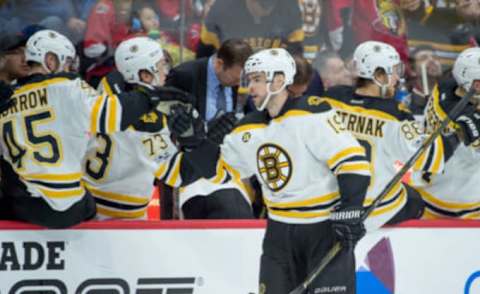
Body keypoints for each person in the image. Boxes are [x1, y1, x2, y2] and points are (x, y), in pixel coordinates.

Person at [188, 48, 371, 293]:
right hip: (278, 232)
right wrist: (200, 143)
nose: (249, 88)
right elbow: (219, 172)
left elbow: (352, 162)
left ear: (279, 80)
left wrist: (351, 210)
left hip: (323, 230)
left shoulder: (313, 114)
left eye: (256, 80)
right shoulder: (247, 128)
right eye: (248, 80)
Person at [0, 30, 173, 228]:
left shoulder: (6, 100)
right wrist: (151, 95)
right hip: (70, 206)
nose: (69, 69)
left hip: (23, 205)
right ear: (50, 61)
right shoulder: (67, 87)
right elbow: (110, 115)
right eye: (66, 63)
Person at [321, 41, 476, 230]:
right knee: (416, 201)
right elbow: (433, 155)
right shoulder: (395, 115)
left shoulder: (331, 98)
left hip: (329, 201)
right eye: (393, 72)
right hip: (372, 209)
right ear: (378, 75)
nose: (397, 78)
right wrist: (463, 130)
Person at [87, 36, 226, 219]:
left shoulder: (111, 83)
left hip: (89, 196)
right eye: (161, 66)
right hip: (119, 213)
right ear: (144, 75)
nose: (166, 72)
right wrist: (202, 143)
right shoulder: (146, 125)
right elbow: (177, 175)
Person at [166, 38, 255, 219]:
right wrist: (204, 131)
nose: (240, 83)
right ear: (220, 64)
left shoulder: (236, 79)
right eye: (236, 78)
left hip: (227, 163)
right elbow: (168, 123)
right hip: (191, 167)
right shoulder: (184, 75)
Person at [413, 47, 480, 219]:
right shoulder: (466, 120)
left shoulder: (443, 88)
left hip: (426, 192)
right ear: (476, 84)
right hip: (461, 203)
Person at [197, 0, 304, 58]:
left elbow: (296, 52)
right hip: (231, 78)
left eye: (272, 4)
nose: (268, 10)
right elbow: (205, 54)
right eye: (263, 5)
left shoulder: (291, 9)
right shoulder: (220, 11)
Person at [408, 45, 443, 117]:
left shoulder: (449, 97)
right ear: (412, 71)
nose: (431, 60)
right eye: (423, 58)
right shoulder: (406, 101)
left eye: (435, 58)